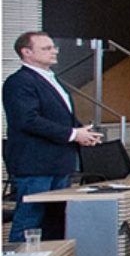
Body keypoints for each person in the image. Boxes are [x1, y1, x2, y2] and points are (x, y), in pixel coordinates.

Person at [4, 32, 101, 240]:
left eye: (53, 47)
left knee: (55, 220)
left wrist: (82, 132)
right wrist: (73, 134)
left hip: (58, 161)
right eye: (46, 48)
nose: (54, 51)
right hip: (35, 163)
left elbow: (61, 115)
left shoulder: (51, 79)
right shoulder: (19, 82)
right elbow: (27, 120)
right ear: (27, 52)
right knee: (31, 218)